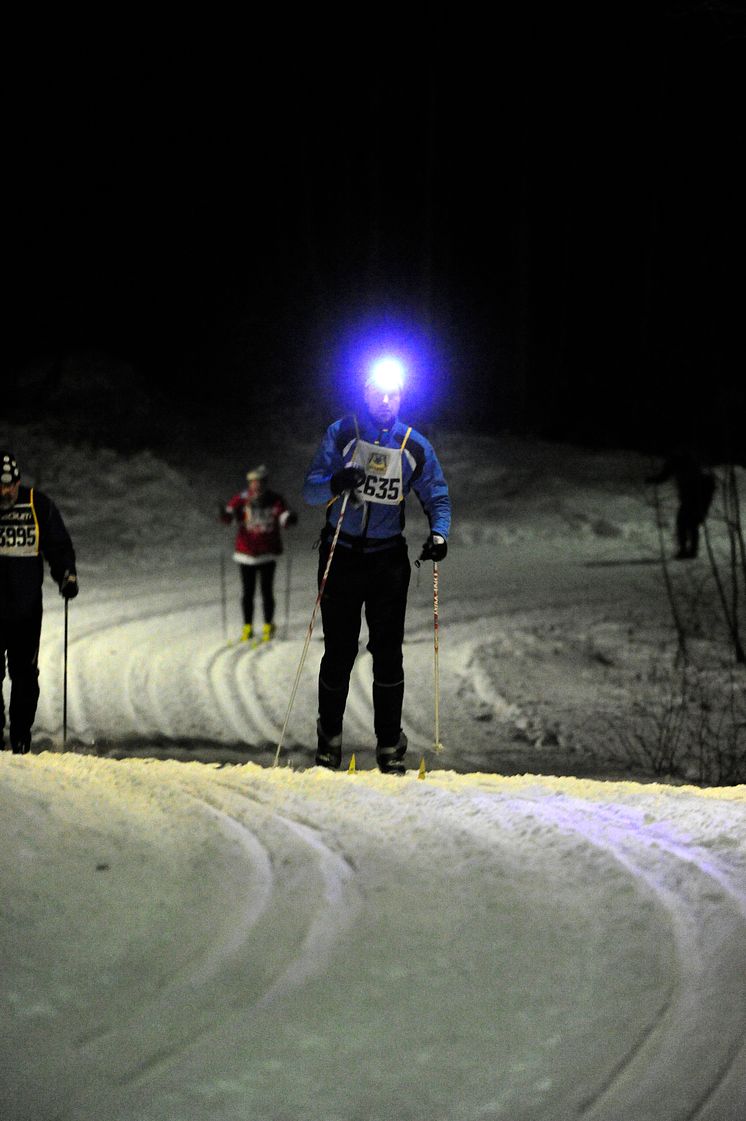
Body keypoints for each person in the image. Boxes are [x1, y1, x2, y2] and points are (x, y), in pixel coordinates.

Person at [303, 363, 451, 774]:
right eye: (378, 394)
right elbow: (311, 488)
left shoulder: (414, 445)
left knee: (388, 653)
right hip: (342, 554)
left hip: (387, 560)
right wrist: (335, 481)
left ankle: (389, 745)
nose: (386, 402)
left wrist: (440, 534)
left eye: (394, 395)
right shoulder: (342, 432)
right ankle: (328, 741)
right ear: (365, 393)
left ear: (402, 398)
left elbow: (436, 494)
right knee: (339, 650)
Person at [0, 451, 78, 754]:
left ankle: (20, 735)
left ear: (18, 482)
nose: (5, 492)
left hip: (26, 610)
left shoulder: (37, 505)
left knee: (24, 674)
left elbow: (58, 545)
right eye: (0, 486)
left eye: (9, 485)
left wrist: (67, 575)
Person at [219, 465, 297, 643]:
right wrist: (224, 514)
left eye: (259, 482)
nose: (256, 485)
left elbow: (282, 515)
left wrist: (289, 518)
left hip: (267, 553)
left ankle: (268, 625)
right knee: (247, 592)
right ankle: (248, 626)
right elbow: (230, 516)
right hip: (246, 552)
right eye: (253, 482)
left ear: (264, 482)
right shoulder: (242, 498)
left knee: (266, 591)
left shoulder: (274, 499)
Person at [645, 450, 716, 560]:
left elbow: (708, 483)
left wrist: (704, 504)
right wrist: (653, 480)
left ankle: (690, 551)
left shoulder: (689, 462)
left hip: (697, 497)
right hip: (688, 497)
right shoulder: (676, 462)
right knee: (685, 524)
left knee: (689, 523)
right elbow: (664, 475)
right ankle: (687, 550)